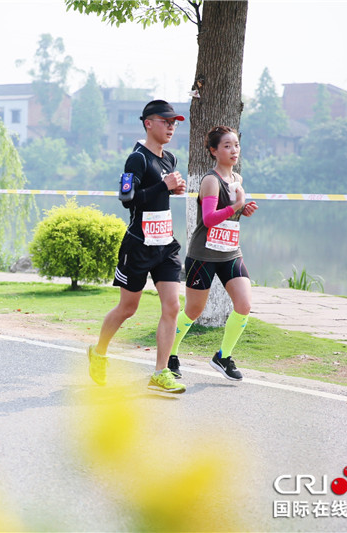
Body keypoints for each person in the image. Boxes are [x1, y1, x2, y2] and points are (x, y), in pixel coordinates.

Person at [87, 100, 187, 394]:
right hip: (139, 244)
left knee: (172, 305)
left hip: (165, 244)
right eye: (166, 121)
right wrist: (163, 187)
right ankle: (99, 352)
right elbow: (127, 198)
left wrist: (173, 188)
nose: (171, 127)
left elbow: (161, 192)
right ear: (148, 123)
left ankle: (160, 372)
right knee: (128, 308)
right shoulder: (137, 159)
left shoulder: (170, 158)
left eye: (175, 123)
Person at [167, 125, 258, 381]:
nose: (233, 150)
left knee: (244, 304)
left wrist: (243, 210)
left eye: (236, 145)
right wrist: (237, 205)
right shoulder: (210, 180)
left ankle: (223, 356)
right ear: (213, 151)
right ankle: (170, 354)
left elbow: (229, 214)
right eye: (227, 146)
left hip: (230, 253)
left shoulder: (237, 179)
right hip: (203, 255)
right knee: (193, 311)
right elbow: (208, 219)